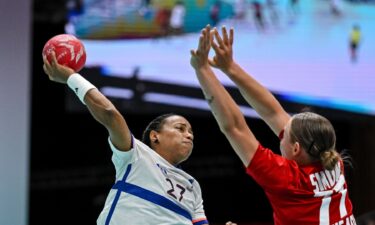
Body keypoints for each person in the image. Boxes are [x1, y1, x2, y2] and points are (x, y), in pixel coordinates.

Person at [190, 25, 356, 225]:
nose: (281, 127)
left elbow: (235, 127)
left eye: (285, 132)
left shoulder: (287, 179)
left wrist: (203, 70)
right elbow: (272, 112)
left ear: (296, 148)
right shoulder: (332, 161)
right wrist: (230, 67)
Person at [43, 52, 209, 225]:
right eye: (180, 128)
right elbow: (109, 114)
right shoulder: (136, 154)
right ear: (155, 136)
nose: (189, 135)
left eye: (191, 132)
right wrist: (71, 77)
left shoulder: (193, 186)